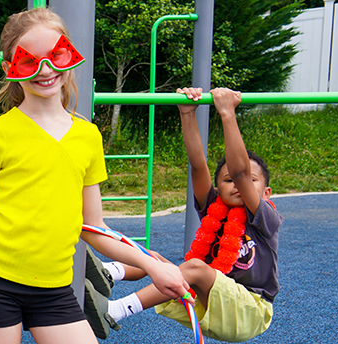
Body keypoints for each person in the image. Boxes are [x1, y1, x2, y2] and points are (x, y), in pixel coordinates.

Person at [0, 8, 189, 344]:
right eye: (28, 61)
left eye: (56, 55)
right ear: (10, 69)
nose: (45, 69)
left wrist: (150, 265)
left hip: (54, 289)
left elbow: (94, 228)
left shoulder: (88, 136)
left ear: (69, 56)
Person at [102, 87, 281, 343]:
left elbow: (241, 173)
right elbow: (198, 165)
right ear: (218, 189)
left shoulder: (265, 219)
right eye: (228, 180)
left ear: (266, 194)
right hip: (209, 303)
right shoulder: (213, 208)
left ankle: (117, 310)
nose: (238, 185)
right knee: (152, 259)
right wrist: (187, 114)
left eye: (251, 181)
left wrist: (227, 113)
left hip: (249, 310)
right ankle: (106, 272)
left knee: (194, 268)